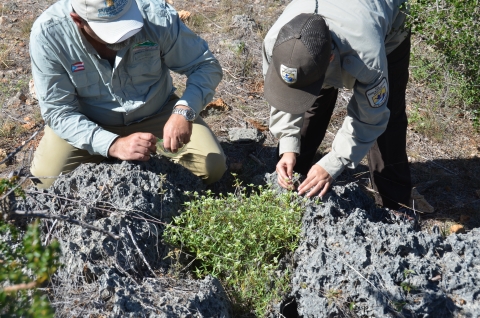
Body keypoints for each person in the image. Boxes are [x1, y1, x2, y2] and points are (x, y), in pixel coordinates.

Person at [29, 0, 226, 189]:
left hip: (156, 113)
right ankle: (108, 156)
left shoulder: (154, 15)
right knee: (45, 180)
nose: (124, 36)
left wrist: (185, 110)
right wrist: (112, 144)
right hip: (88, 120)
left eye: (126, 21)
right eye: (110, 29)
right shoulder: (49, 34)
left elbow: (204, 65)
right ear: (78, 20)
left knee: (211, 167)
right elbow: (58, 111)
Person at [263, 0, 433, 212]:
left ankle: (394, 204)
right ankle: (297, 180)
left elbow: (370, 117)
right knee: (311, 104)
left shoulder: (368, 57)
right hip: (335, 27)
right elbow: (285, 92)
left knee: (388, 117)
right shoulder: (275, 43)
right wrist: (288, 146)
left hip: (386, 30)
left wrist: (334, 163)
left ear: (331, 58)